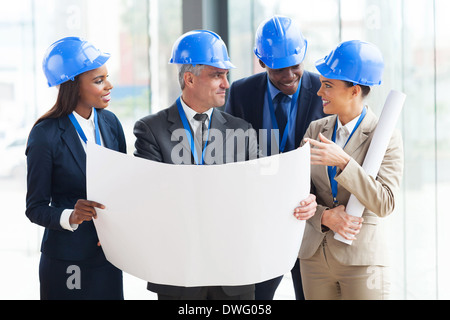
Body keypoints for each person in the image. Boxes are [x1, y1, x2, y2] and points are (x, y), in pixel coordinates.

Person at [134, 29, 316, 300]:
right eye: (217, 75)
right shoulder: (151, 130)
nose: (227, 84)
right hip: (180, 272)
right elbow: (149, 198)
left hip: (234, 272)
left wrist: (302, 202)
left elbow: (263, 190)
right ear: (190, 78)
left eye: (226, 75)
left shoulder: (242, 131)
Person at [225, 15, 326, 300]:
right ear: (262, 62)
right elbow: (233, 158)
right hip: (261, 222)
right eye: (279, 70)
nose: (289, 76)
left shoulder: (322, 91)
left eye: (295, 66)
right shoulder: (241, 93)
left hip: (308, 219)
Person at [299, 40, 404, 300]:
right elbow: (297, 192)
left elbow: (385, 203)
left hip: (363, 261)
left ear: (354, 90)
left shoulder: (385, 137)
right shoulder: (316, 130)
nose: (319, 92)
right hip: (315, 258)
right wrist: (324, 217)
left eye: (328, 85)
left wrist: (345, 163)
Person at [25, 37, 127, 300]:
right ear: (73, 86)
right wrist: (70, 215)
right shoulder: (45, 134)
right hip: (67, 260)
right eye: (98, 80)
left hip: (109, 256)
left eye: (107, 77)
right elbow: (35, 208)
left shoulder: (111, 123)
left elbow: (125, 185)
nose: (109, 86)